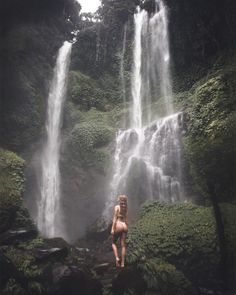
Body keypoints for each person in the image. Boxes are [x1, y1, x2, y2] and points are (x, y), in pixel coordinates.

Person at [111, 195, 128, 268]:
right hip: (124, 225)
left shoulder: (117, 207)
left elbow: (115, 219)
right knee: (123, 245)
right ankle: (122, 263)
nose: (122, 203)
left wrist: (112, 228)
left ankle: (117, 258)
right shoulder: (126, 207)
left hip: (118, 224)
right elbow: (126, 218)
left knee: (113, 243)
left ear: (119, 201)